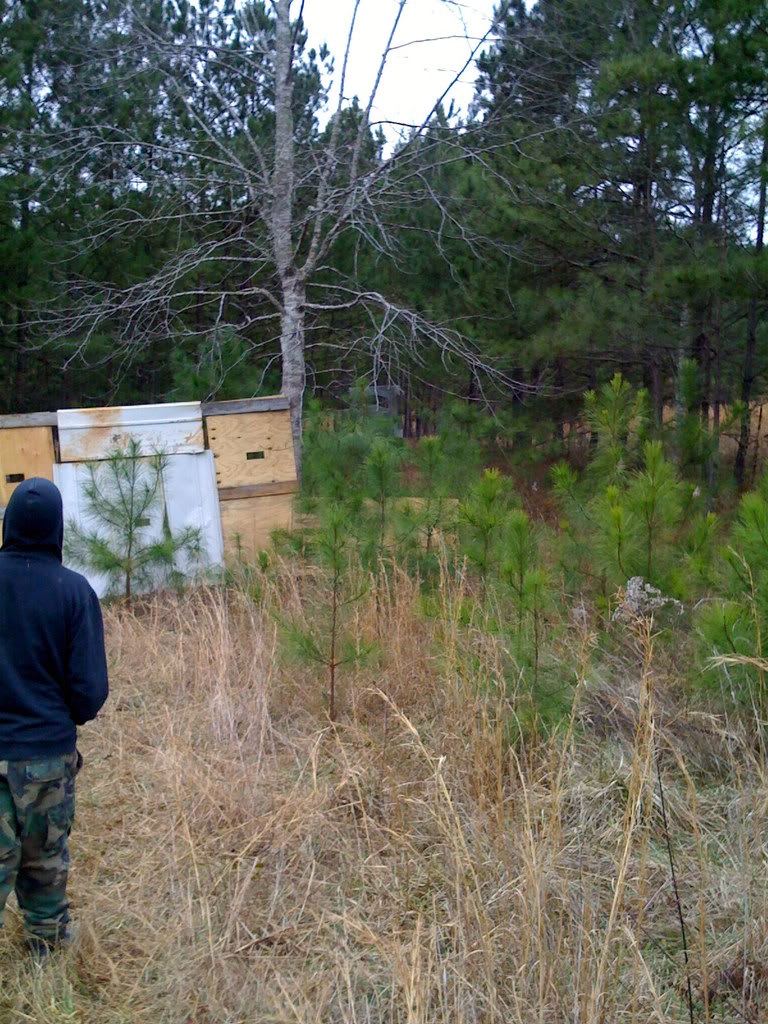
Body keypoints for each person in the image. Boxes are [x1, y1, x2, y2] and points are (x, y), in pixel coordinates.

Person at [0, 478, 108, 954]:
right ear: (58, 530)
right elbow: (89, 694)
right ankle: (45, 948)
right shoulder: (74, 591)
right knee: (45, 868)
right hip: (48, 759)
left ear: (7, 524)